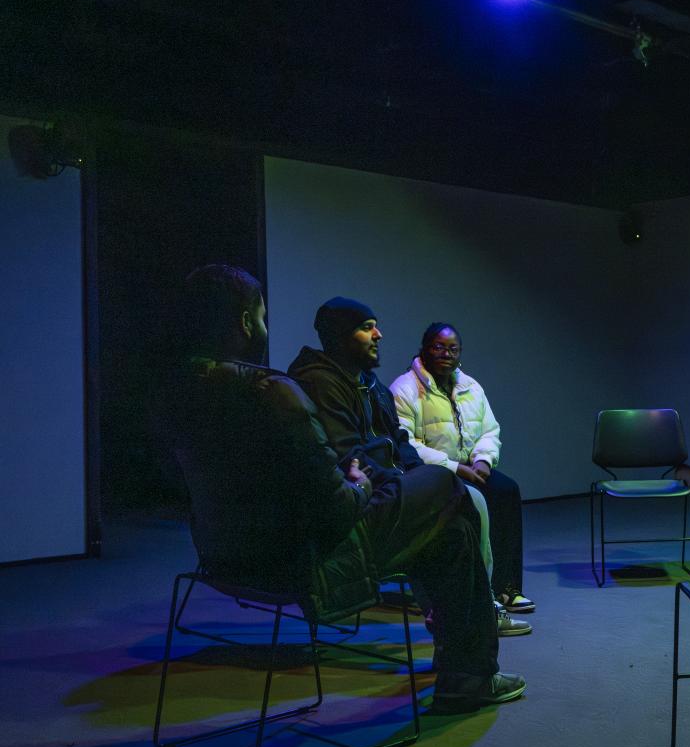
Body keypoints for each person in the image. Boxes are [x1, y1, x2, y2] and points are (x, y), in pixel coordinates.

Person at [170, 266, 524, 711]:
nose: (378, 335)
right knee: (444, 487)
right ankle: (470, 673)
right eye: (261, 317)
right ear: (244, 322)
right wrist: (361, 484)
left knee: (449, 529)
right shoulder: (275, 393)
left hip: (230, 553)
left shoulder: (183, 391)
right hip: (312, 554)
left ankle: (466, 668)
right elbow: (337, 504)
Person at [287, 299, 531, 635]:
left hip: (401, 481)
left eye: (453, 349)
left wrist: (476, 461)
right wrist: (428, 474)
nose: (379, 334)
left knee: (473, 509)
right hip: (366, 501)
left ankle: (476, 606)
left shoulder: (371, 384)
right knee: (457, 496)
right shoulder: (323, 383)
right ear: (341, 336)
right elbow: (350, 457)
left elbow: (401, 440)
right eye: (367, 327)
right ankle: (471, 612)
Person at [389, 323, 533, 614]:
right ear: (425, 349)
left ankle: (507, 586)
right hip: (432, 474)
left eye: (453, 349)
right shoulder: (404, 389)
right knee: (473, 504)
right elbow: (407, 444)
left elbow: (489, 430)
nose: (446, 354)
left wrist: (483, 460)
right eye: (438, 347)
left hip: (470, 467)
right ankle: (480, 592)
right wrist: (455, 468)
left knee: (506, 491)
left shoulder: (471, 386)